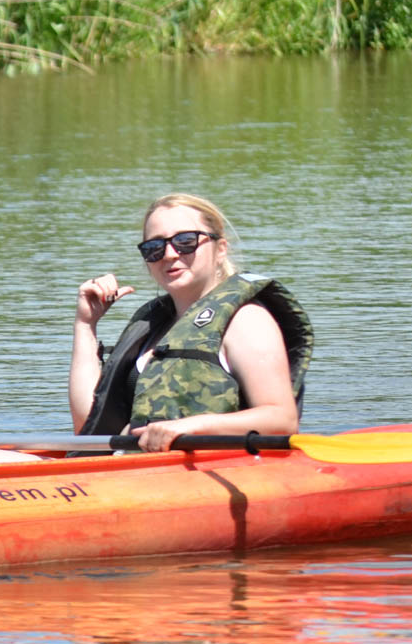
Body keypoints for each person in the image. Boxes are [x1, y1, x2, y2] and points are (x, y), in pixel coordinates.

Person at [71, 192, 313, 451]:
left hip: (216, 469)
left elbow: (282, 420)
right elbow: (88, 426)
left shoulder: (247, 320)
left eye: (186, 241)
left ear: (220, 249)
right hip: (141, 468)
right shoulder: (152, 328)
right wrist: (86, 324)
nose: (169, 254)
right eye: (154, 247)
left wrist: (190, 426)